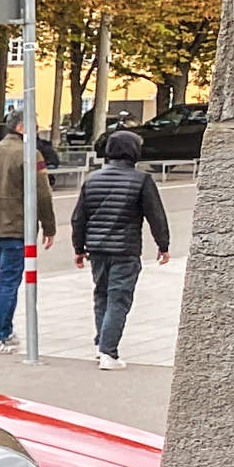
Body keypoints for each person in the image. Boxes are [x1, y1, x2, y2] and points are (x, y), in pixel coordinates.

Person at [71, 127, 172, 370]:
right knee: (119, 298)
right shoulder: (141, 180)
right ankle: (109, 352)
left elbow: (79, 217)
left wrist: (79, 247)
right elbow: (155, 215)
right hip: (125, 249)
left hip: (96, 249)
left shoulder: (92, 180)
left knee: (102, 295)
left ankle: (101, 344)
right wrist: (163, 244)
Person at [0, 105, 56, 351]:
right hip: (16, 228)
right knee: (8, 282)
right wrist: (49, 227)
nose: (37, 132)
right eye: (34, 126)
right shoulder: (30, 154)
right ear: (21, 127)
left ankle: (5, 331)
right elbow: (43, 193)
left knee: (10, 279)